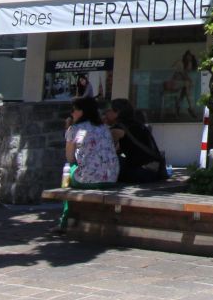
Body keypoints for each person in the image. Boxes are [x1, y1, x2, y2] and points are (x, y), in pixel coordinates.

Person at [58, 97, 119, 231]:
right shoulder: (104, 128)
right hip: (111, 177)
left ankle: (65, 218)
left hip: (87, 178)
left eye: (74, 110)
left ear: (82, 111)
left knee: (67, 171)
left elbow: (69, 157)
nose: (71, 113)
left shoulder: (76, 129)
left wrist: (68, 129)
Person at [104, 98, 167, 183]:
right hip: (156, 171)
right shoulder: (137, 124)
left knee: (110, 160)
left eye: (108, 110)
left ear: (117, 112)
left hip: (143, 173)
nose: (105, 113)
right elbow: (118, 149)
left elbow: (107, 152)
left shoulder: (118, 129)